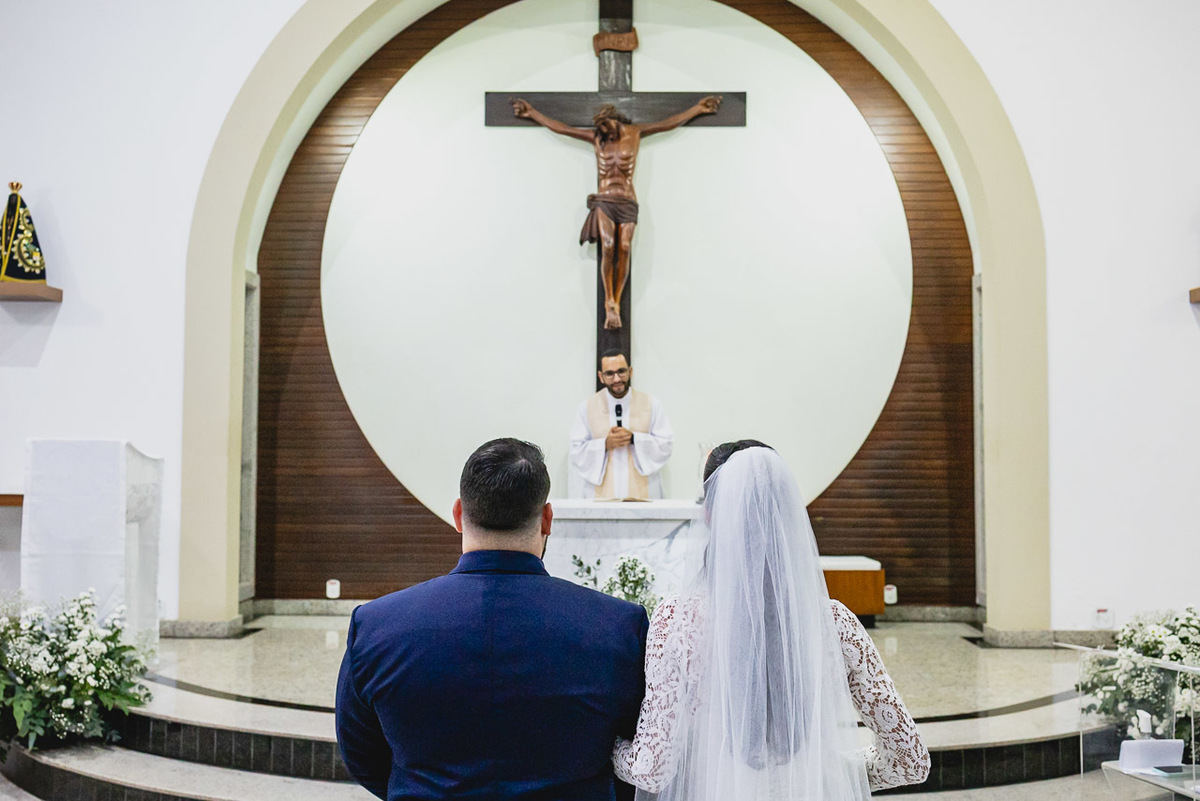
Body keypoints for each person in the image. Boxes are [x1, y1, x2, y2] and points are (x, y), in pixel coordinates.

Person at [611, 441, 930, 800]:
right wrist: (827, 773)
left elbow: (651, 771)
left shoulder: (678, 621)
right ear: (788, 513)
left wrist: (611, 750)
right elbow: (910, 760)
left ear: (710, 514)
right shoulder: (835, 623)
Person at [336, 438, 649, 800]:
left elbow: (361, 754)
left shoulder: (377, 625)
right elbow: (637, 749)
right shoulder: (618, 626)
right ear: (547, 519)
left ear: (457, 514)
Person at [511, 96, 721, 329]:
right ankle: (609, 301)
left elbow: (667, 123)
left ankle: (618, 299)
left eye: (606, 128)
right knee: (609, 246)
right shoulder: (597, 137)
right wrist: (532, 114)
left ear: (614, 120)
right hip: (605, 201)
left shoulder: (635, 133)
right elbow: (563, 128)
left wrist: (696, 109)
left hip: (627, 200)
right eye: (600, 130)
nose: (604, 134)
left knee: (625, 247)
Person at [569, 350, 673, 500]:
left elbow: (666, 445)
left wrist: (633, 439)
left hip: (644, 492)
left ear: (630, 372)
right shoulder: (586, 407)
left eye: (621, 371)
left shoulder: (652, 404)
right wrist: (604, 444)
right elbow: (576, 451)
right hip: (600, 496)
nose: (617, 378)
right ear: (601, 377)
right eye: (610, 374)